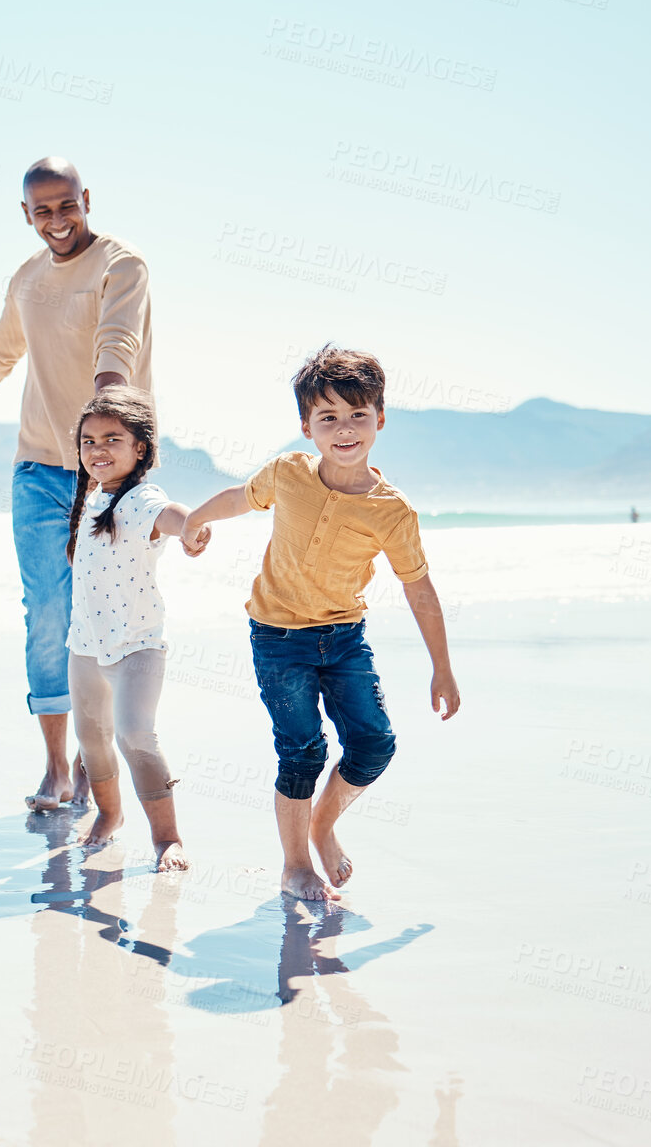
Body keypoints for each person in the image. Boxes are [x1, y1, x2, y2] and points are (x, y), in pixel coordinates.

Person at [180, 346, 461, 901]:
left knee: (374, 743)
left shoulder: (392, 511)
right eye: (327, 417)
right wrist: (194, 519)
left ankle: (322, 824)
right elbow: (242, 497)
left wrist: (443, 668)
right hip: (278, 638)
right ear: (306, 427)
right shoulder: (287, 473)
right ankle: (295, 865)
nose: (344, 428)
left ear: (380, 418)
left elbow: (418, 587)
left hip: (344, 638)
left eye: (358, 414)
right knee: (303, 749)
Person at [0, 156, 154, 811]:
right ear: (26, 214)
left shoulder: (124, 265)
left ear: (86, 198)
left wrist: (100, 432)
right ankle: (58, 766)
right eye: (43, 211)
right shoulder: (28, 277)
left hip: (109, 466)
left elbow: (114, 348)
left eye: (67, 206)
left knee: (111, 612)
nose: (57, 221)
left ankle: (105, 767)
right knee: (48, 614)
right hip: (38, 466)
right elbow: (1, 347)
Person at [43, 388, 192, 873]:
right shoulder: (91, 499)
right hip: (84, 645)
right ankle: (109, 814)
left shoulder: (141, 497)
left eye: (112, 438)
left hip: (137, 647)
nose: (98, 449)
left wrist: (190, 527)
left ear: (140, 448)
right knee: (92, 741)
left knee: (135, 735)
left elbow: (168, 514)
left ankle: (167, 838)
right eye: (88, 441)